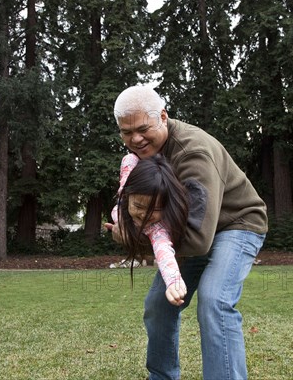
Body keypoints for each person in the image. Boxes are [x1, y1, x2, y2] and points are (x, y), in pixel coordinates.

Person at [106, 85, 268, 380]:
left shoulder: (193, 155)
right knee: (158, 304)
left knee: (214, 300)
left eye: (142, 129)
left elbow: (197, 240)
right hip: (189, 231)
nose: (135, 139)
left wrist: (129, 239)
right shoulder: (143, 154)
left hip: (236, 224)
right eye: (126, 132)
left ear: (163, 117)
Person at [108, 153, 189, 306]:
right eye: (138, 206)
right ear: (127, 196)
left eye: (155, 209)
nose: (145, 215)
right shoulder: (125, 189)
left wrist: (174, 282)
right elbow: (129, 159)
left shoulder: (156, 228)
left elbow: (164, 252)